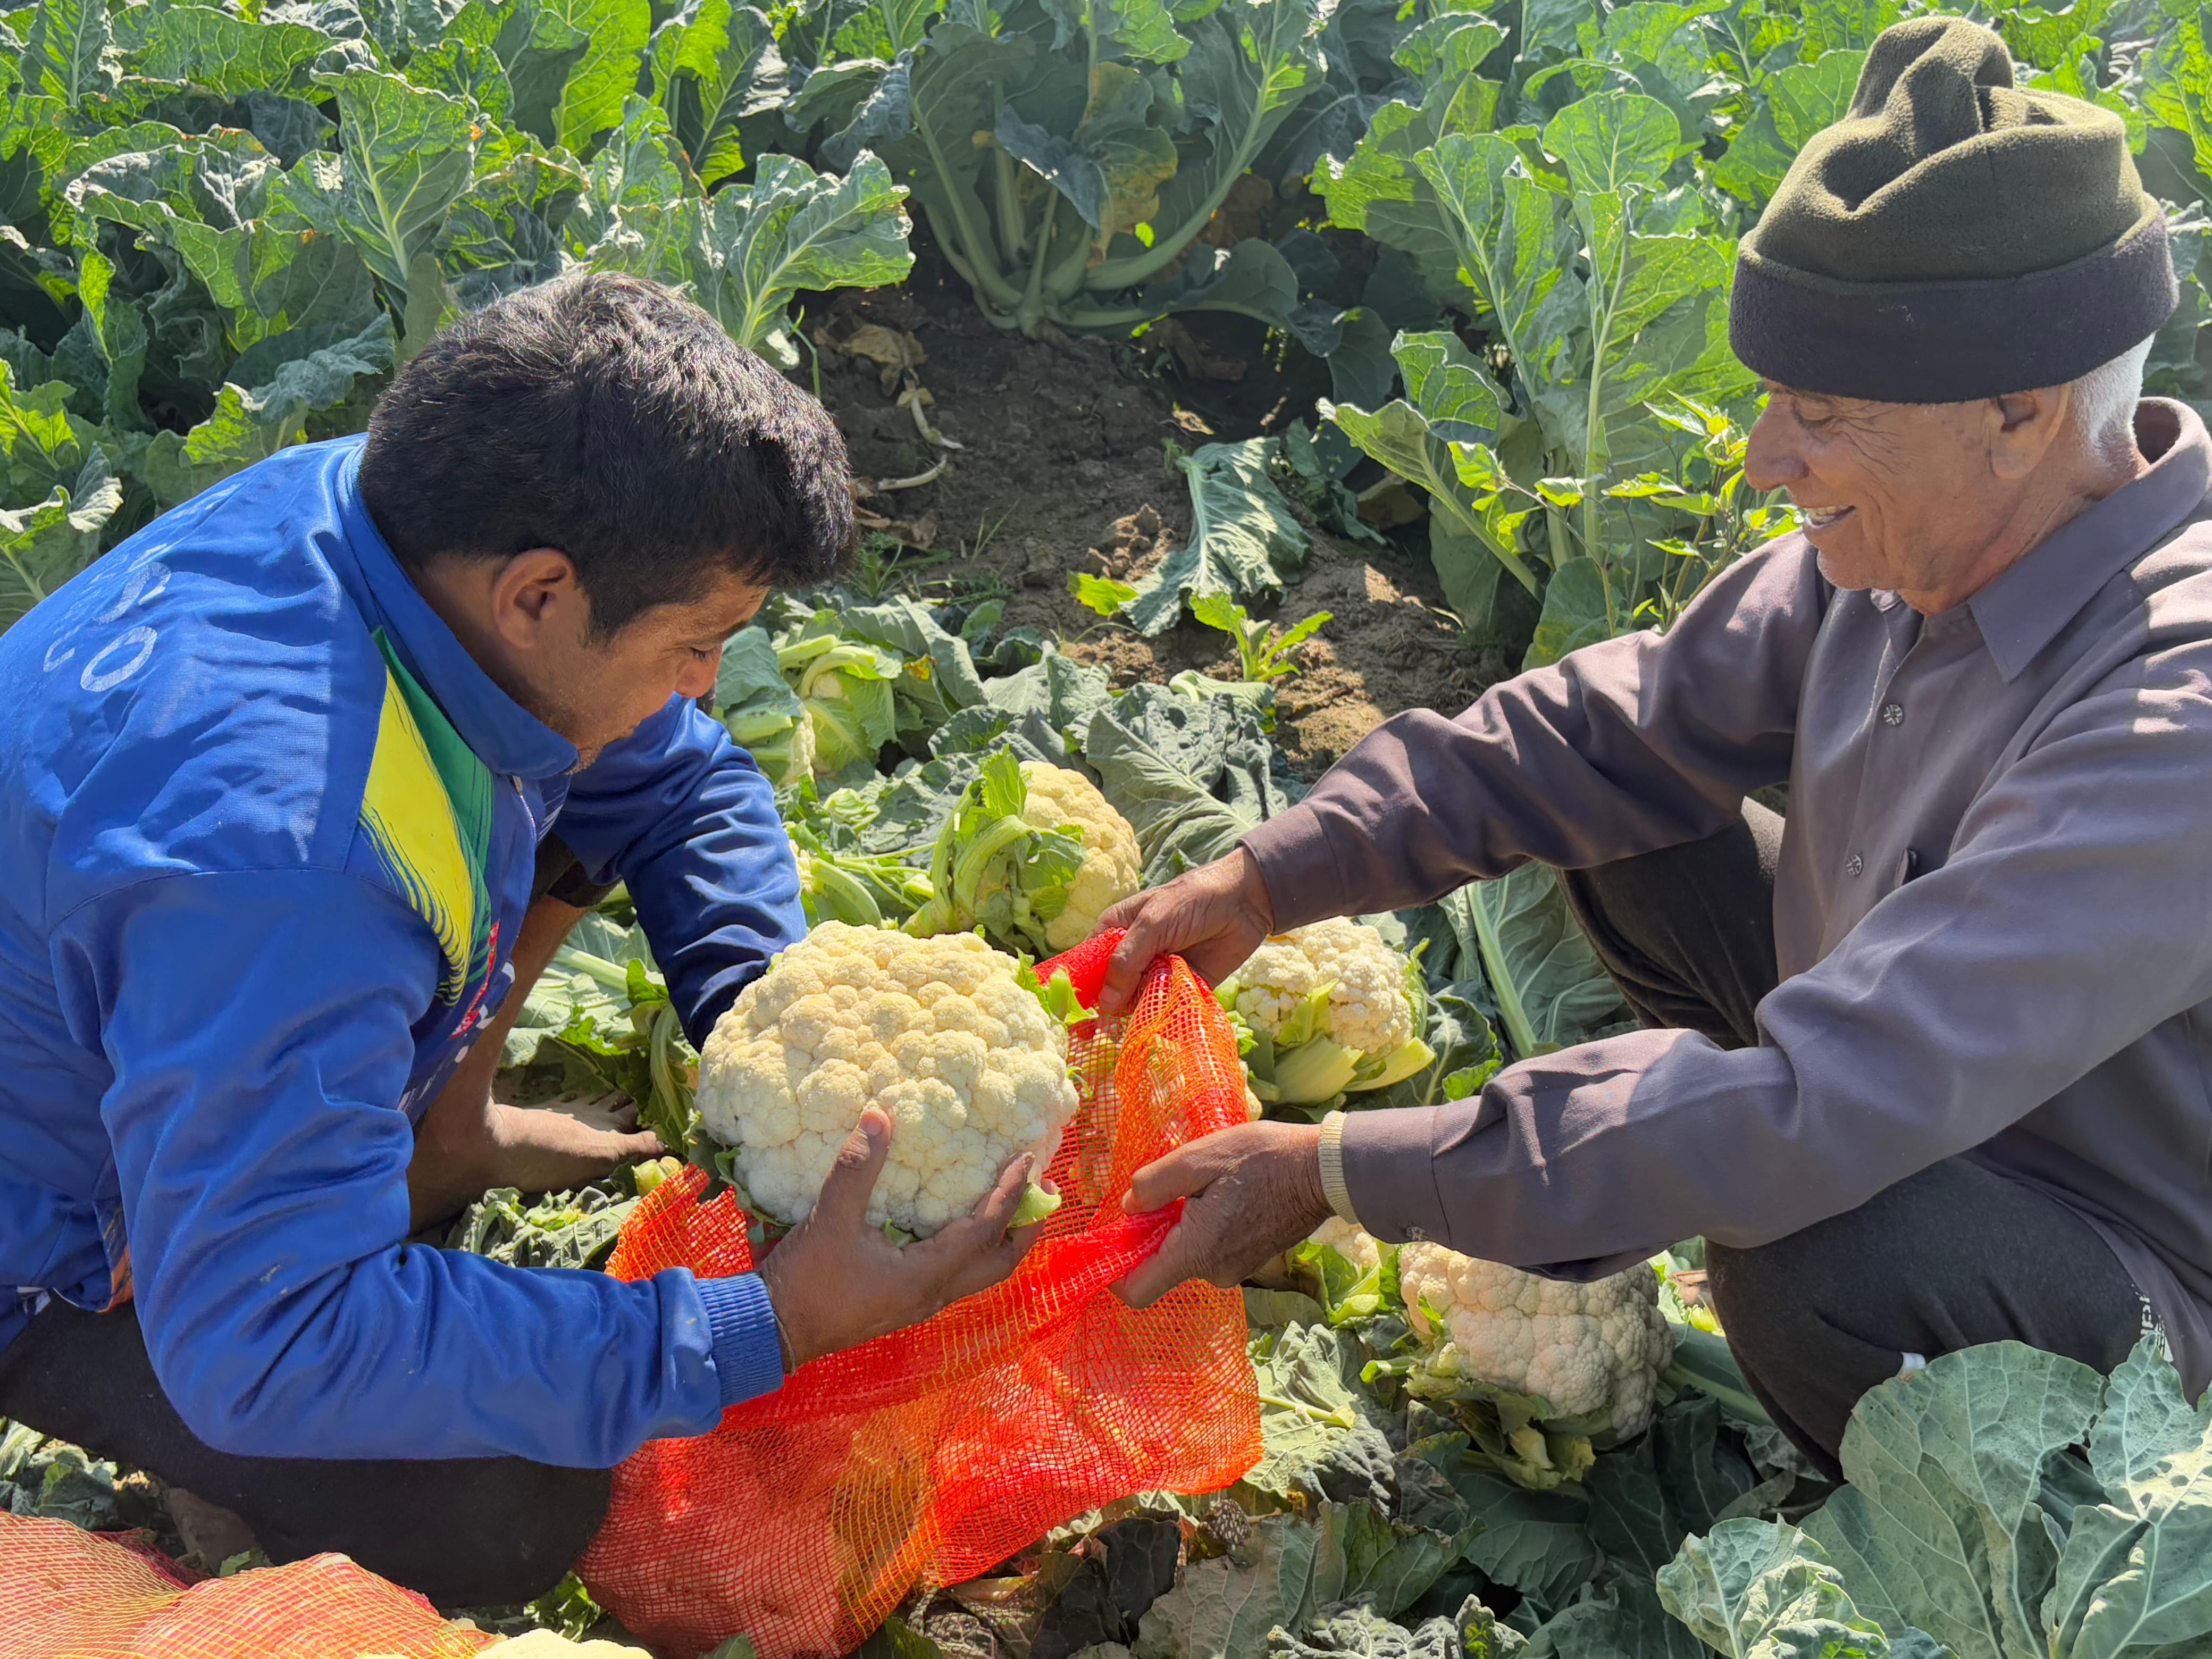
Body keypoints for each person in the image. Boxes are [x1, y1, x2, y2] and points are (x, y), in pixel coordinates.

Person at [1101, 15, 2212, 1478]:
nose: (1762, 456)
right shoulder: (1902, 548)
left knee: (1817, 1246)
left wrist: (1337, 1173)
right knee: (1621, 810)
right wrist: (1266, 878)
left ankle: (1993, 1518)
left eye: (1820, 413)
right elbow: (1598, 728)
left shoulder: (2172, 722)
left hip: (2133, 1271)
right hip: (1917, 1079)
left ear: (2017, 412)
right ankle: (1662, 1163)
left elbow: (1830, 1103)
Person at [0, 273, 1041, 1604]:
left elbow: (684, 787)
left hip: (170, 1006)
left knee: (599, 775)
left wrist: (766, 1024)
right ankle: (191, 1437)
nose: (707, 682)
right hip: (56, 1248)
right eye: (696, 641)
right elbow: (270, 1335)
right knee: (510, 1507)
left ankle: (420, 1145)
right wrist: (761, 1326)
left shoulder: (391, 521)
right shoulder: (289, 857)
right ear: (540, 593)